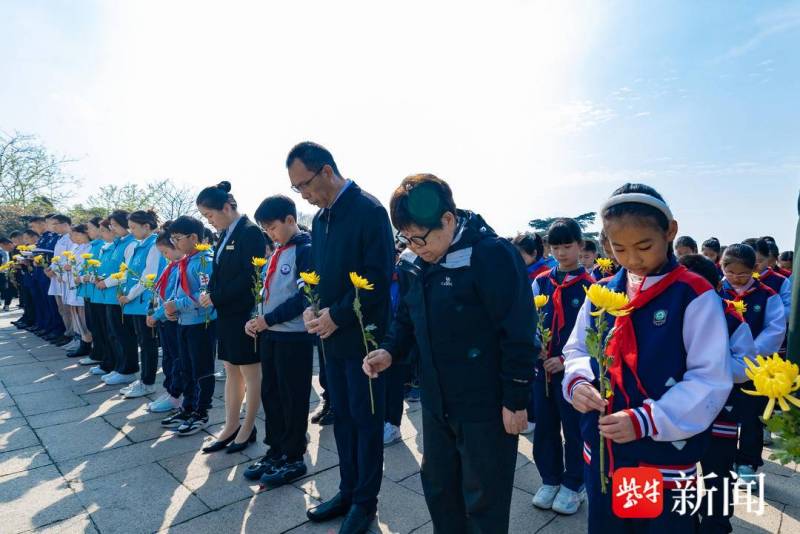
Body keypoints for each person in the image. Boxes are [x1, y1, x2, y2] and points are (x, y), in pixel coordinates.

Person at [364, 174, 536, 534]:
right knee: (440, 488)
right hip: (437, 400)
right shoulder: (415, 262)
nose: (415, 246)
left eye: (420, 238)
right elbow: (407, 318)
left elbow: (518, 331)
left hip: (485, 404)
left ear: (447, 219)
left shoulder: (490, 255)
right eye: (406, 239)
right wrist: (390, 351)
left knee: (484, 497)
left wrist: (516, 399)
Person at [563, 183, 732, 532]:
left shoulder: (692, 294)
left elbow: (709, 378)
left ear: (670, 231)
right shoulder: (604, 290)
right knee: (608, 524)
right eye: (619, 248)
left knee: (648, 524)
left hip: (656, 453)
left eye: (644, 246)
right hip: (605, 446)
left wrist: (646, 420)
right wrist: (578, 381)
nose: (632, 259)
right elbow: (577, 348)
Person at [288, 141, 394, 534]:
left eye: (304, 185)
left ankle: (366, 503)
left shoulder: (368, 210)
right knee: (343, 419)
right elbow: (318, 272)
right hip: (329, 335)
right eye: (297, 189)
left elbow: (379, 278)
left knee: (367, 421)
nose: (304, 194)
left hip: (364, 339)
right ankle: (347, 490)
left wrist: (338, 313)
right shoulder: (318, 219)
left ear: (327, 171)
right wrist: (311, 306)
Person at [679, 253, 756, 534]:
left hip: (721, 412)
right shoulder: (672, 311)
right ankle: (681, 522)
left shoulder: (730, 316)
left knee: (718, 473)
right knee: (678, 473)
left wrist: (710, 363)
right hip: (679, 413)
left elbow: (747, 365)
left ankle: (716, 524)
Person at [241, 195, 314, 484]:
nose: (270, 234)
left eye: (272, 227)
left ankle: (294, 455)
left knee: (292, 397)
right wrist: (255, 317)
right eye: (266, 229)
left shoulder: (305, 250)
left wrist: (268, 319)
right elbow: (265, 292)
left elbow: (305, 296)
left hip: (293, 337)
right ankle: (276, 449)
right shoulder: (276, 252)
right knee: (270, 394)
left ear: (290, 220)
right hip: (270, 335)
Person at [197, 181, 266, 452]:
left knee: (250, 372)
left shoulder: (251, 233)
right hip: (225, 313)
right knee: (230, 369)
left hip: (244, 314)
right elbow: (220, 273)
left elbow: (250, 278)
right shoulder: (224, 234)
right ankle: (230, 425)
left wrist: (218, 296)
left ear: (226, 207)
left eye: (210, 215)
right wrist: (210, 293)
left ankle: (248, 427)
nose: (210, 221)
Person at [531, 218, 593, 515]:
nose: (561, 252)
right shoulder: (541, 281)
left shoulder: (592, 288)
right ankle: (550, 478)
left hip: (573, 374)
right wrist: (536, 347)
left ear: (580, 246)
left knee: (574, 428)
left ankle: (574, 483)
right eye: (555, 247)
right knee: (544, 426)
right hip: (541, 370)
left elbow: (594, 337)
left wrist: (565, 360)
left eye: (567, 246)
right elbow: (528, 319)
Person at [719, 243, 786, 486]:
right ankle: (721, 458)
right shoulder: (716, 291)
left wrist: (748, 352)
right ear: (722, 267)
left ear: (755, 269)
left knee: (752, 416)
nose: (736, 278)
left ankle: (747, 462)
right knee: (721, 414)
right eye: (731, 273)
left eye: (743, 274)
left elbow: (775, 329)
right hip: (721, 365)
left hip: (755, 368)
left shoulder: (767, 295)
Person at [160, 215, 218, 436]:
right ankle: (188, 407)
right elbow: (177, 290)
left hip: (201, 323)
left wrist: (177, 304)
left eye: (177, 238)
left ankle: (201, 412)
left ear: (193, 237)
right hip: (184, 321)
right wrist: (169, 308)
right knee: (186, 367)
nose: (174, 243)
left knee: (201, 369)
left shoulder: (205, 261)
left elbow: (203, 295)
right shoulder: (185, 260)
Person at [118, 210, 167, 399]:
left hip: (145, 301)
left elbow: (149, 276)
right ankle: (144, 380)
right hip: (134, 300)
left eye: (133, 227)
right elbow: (129, 271)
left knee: (148, 343)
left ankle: (148, 383)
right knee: (143, 341)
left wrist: (129, 296)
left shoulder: (154, 245)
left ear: (147, 226)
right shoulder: (138, 245)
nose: (131, 231)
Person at [95, 210, 139, 386]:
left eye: (114, 225)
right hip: (109, 295)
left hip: (119, 295)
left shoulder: (131, 243)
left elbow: (127, 272)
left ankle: (128, 369)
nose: (111, 228)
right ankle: (119, 367)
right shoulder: (118, 243)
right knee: (114, 334)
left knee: (123, 334)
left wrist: (107, 282)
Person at [146, 223, 186, 413]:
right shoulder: (171, 266)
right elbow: (158, 291)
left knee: (176, 359)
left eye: (166, 252)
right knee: (169, 358)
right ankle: (170, 390)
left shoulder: (181, 268)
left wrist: (158, 314)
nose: (165, 257)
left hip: (172, 319)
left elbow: (172, 297)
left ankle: (176, 395)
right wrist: (152, 311)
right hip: (163, 319)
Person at [76, 217, 110, 367]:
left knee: (100, 326)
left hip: (97, 290)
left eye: (90, 227)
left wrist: (84, 278)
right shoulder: (94, 245)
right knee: (93, 324)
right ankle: (99, 353)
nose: (88, 231)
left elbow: (99, 271)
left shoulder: (101, 245)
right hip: (90, 291)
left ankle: (101, 354)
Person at [63, 224, 93, 358]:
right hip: (73, 284)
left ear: (84, 233)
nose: (72, 238)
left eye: (75, 234)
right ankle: (83, 340)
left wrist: (72, 268)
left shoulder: (91, 247)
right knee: (76, 314)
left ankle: (88, 342)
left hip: (82, 285)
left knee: (83, 316)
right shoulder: (77, 248)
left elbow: (84, 266)